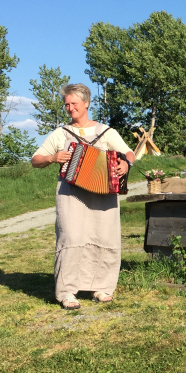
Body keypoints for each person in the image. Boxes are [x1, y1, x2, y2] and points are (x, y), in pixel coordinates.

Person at [31, 83, 135, 310]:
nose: (69, 108)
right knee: (71, 237)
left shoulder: (107, 132)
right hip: (70, 194)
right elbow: (35, 159)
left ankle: (102, 287)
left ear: (86, 103)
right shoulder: (61, 133)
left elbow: (128, 152)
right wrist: (53, 157)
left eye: (74, 104)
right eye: (66, 105)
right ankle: (67, 292)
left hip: (103, 192)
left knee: (104, 236)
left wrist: (126, 164)